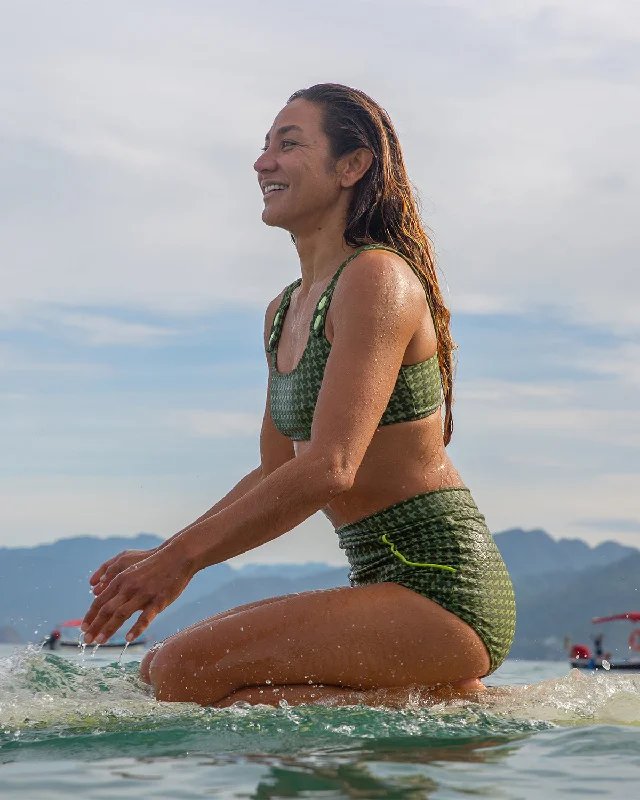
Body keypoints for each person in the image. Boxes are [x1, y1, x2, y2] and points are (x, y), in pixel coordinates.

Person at [82, 83, 516, 708]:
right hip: (382, 583)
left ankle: (451, 706)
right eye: (264, 147)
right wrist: (166, 553)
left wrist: (182, 560)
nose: (263, 162)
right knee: (161, 668)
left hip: (444, 588)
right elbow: (276, 470)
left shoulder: (375, 278)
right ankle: (443, 699)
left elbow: (329, 468)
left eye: (289, 145)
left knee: (184, 671)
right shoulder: (283, 309)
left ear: (351, 166)